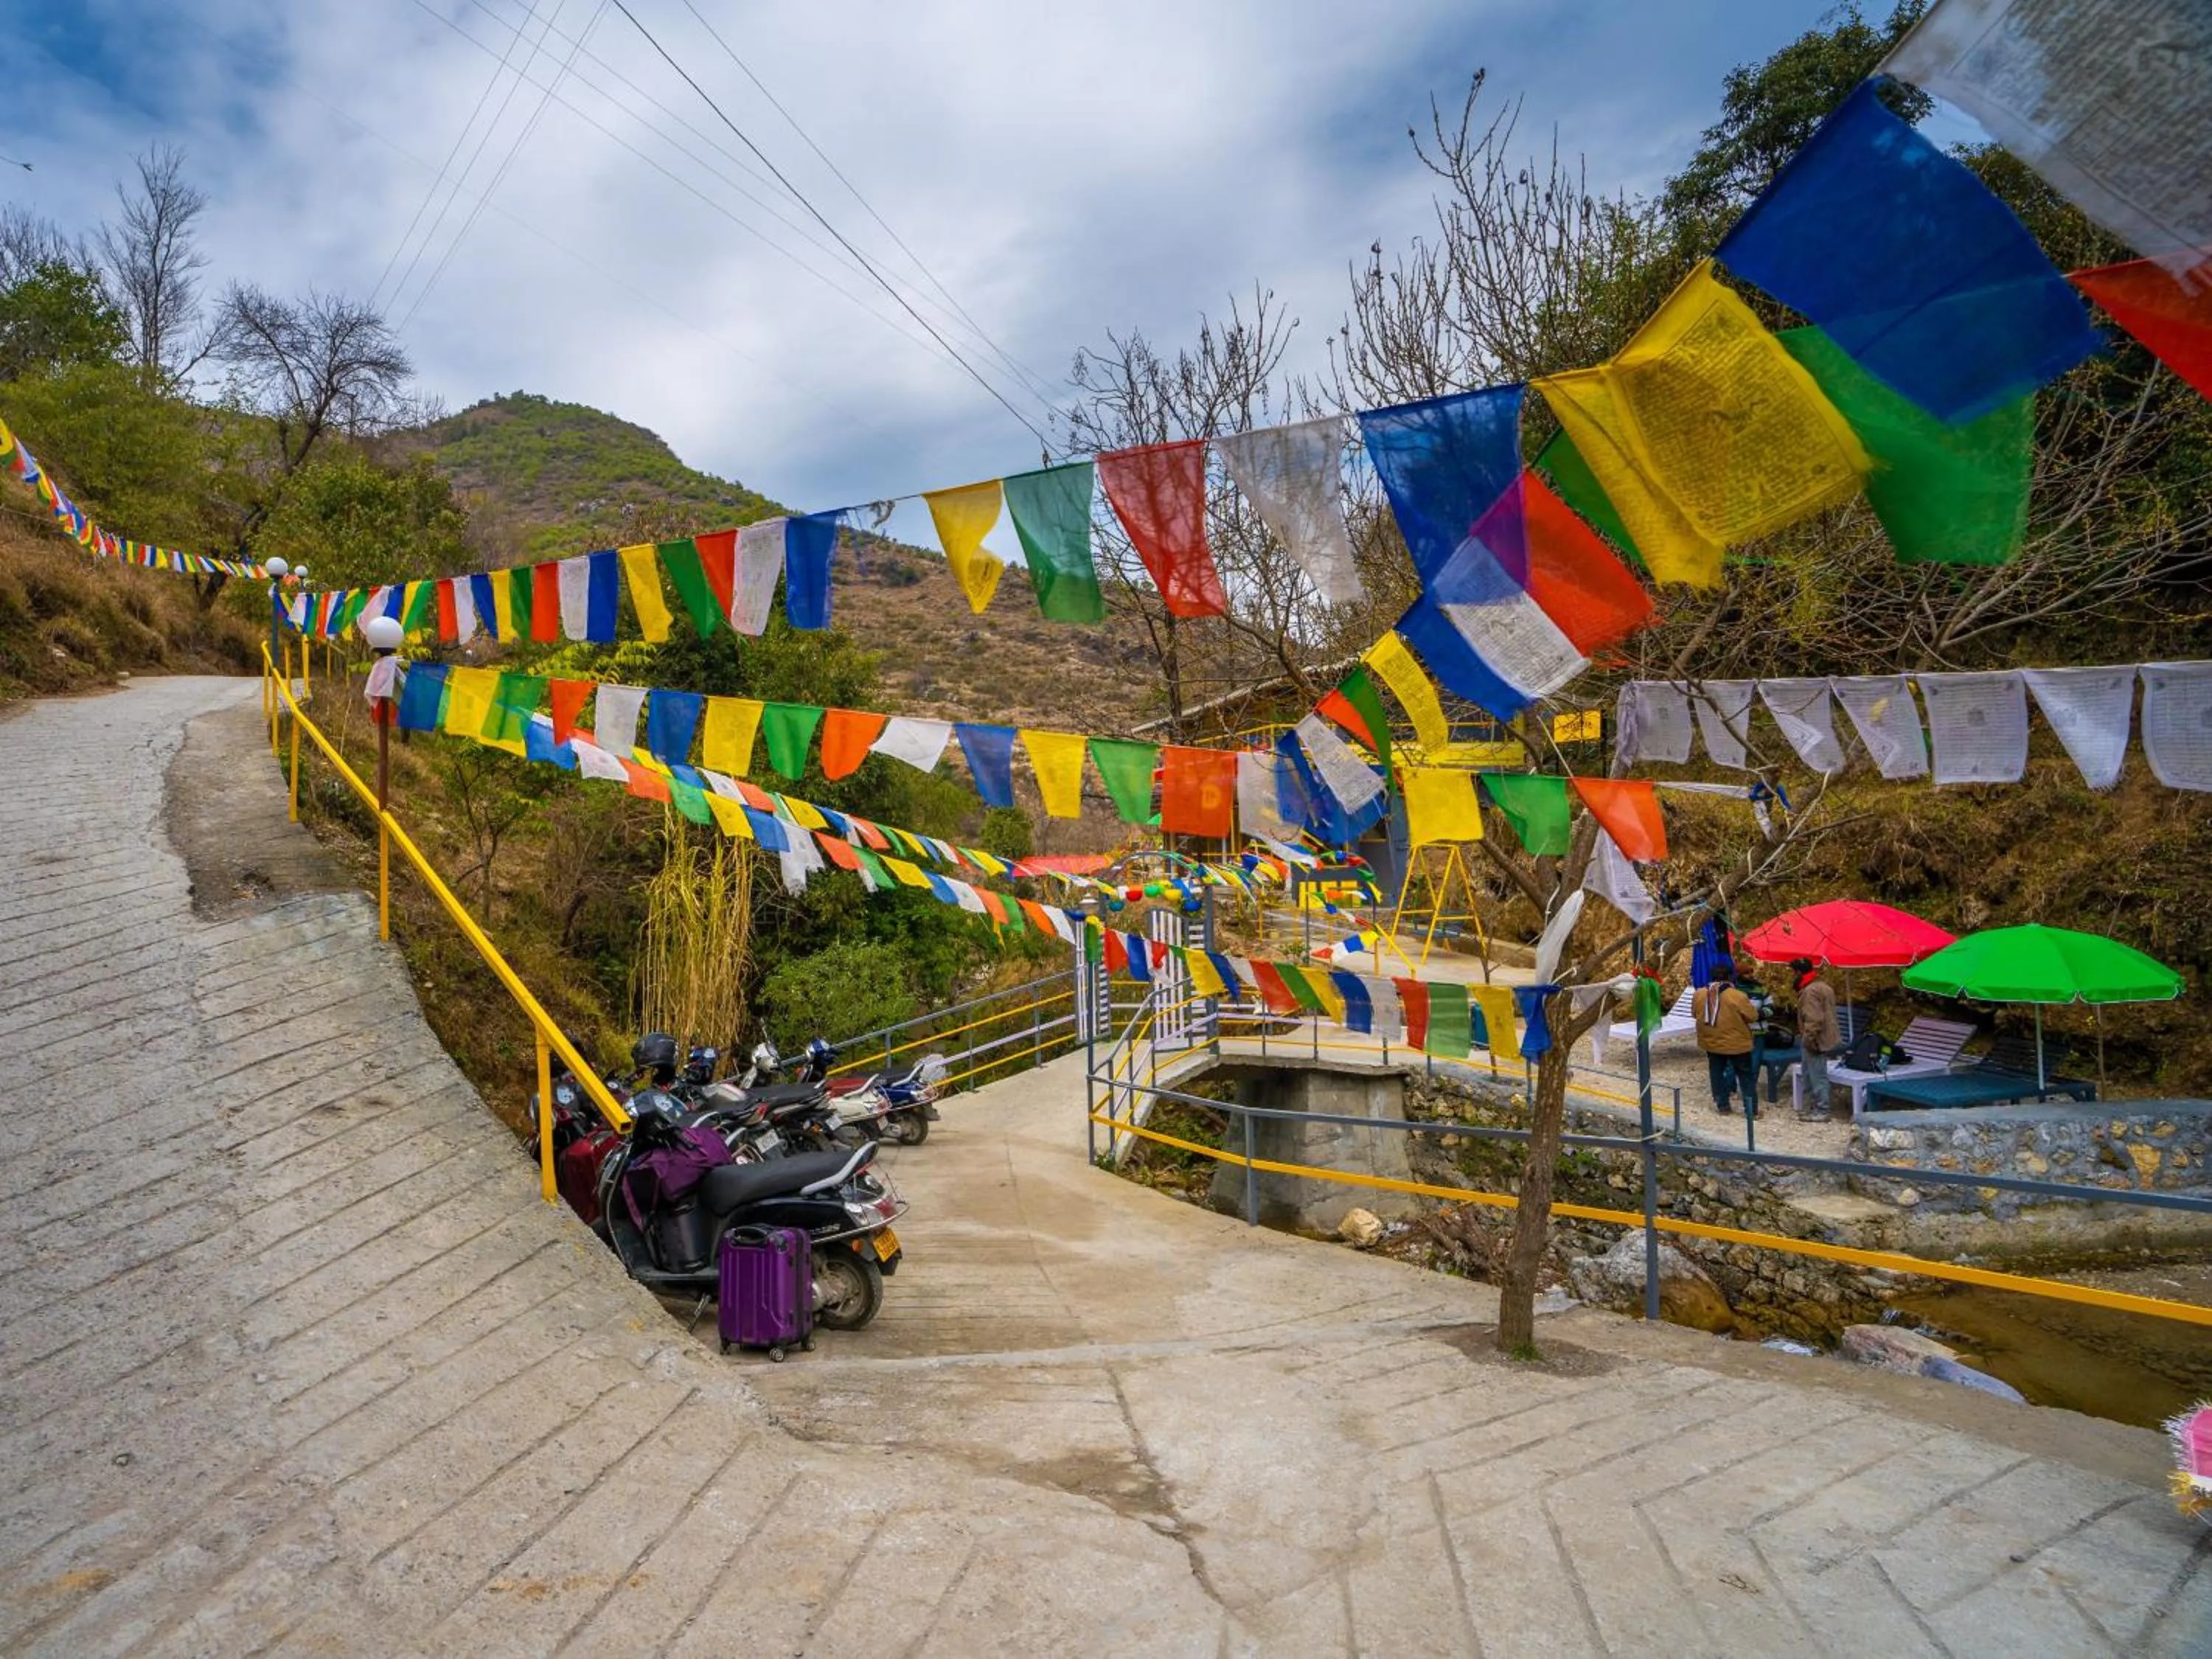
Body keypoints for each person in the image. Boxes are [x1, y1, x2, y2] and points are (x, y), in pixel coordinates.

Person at [1694, 959, 1760, 1116]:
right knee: (1745, 1076)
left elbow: (1695, 1014)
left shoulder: (1700, 994)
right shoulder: (1738, 996)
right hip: (1737, 1043)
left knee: (1716, 1072)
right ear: (1730, 977)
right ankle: (1751, 1110)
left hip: (1711, 1041)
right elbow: (1753, 1016)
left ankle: (1723, 1106)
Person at [1792, 958, 1843, 1120]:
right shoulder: (1824, 987)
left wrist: (1809, 1040)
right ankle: (1815, 1107)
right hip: (1829, 1037)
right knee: (1813, 1073)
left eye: (1793, 973)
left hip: (1816, 1039)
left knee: (1815, 1075)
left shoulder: (1809, 992)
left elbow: (1814, 1019)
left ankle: (1822, 1110)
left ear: (1799, 973)